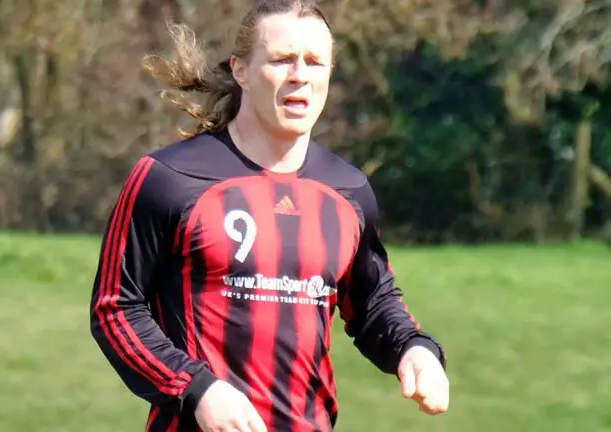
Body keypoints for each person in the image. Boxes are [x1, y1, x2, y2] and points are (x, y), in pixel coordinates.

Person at [89, 1, 449, 431]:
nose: (300, 74)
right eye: (282, 59)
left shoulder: (348, 191)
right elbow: (116, 309)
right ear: (240, 70)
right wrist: (198, 388)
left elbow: (372, 302)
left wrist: (415, 349)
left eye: (315, 62)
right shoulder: (169, 179)